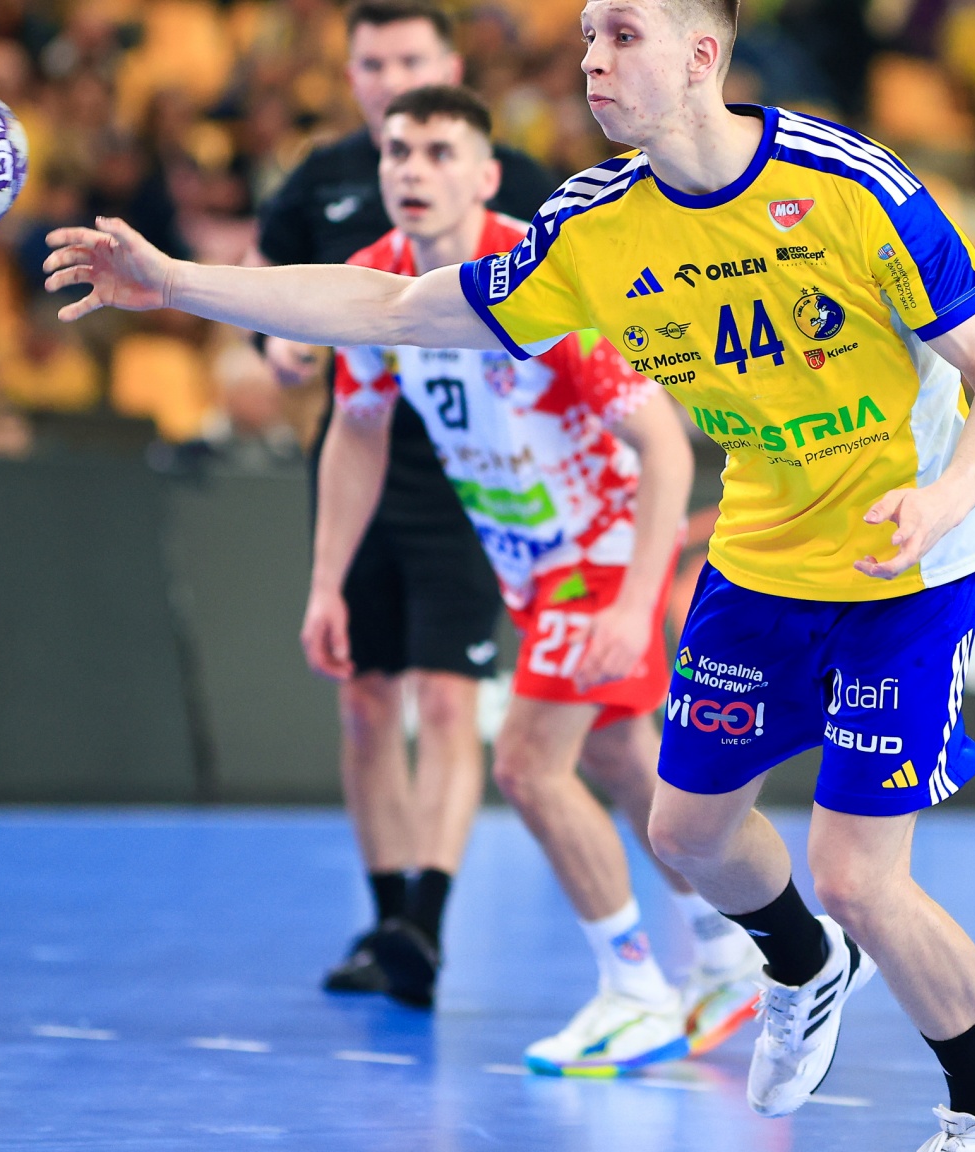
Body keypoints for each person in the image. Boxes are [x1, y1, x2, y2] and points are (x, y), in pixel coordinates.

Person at [44, 0, 975, 1152]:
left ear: (702, 54)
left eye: (621, 34)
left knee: (854, 876)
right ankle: (800, 963)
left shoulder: (850, 187)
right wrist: (176, 282)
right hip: (762, 554)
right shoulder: (590, 227)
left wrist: (941, 500)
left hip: (911, 564)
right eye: (586, 36)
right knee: (685, 832)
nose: (591, 59)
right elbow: (392, 308)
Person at [309, 85, 764, 1073]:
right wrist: (326, 582)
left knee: (524, 764)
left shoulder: (539, 281)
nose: (413, 171)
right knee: (623, 758)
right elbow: (357, 429)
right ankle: (736, 950)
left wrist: (637, 603)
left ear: (484, 176)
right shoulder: (379, 282)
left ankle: (636, 991)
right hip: (529, 561)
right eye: (397, 152)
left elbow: (663, 446)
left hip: (599, 550)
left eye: (439, 153)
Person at [251, 0, 561, 1008]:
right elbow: (267, 290)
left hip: (478, 469)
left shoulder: (512, 181)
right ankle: (386, 919)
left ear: (452, 64)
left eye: (410, 59)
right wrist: (276, 344)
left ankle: (425, 921)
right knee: (365, 698)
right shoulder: (323, 181)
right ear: (350, 75)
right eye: (373, 64)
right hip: (364, 440)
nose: (391, 78)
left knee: (448, 695)